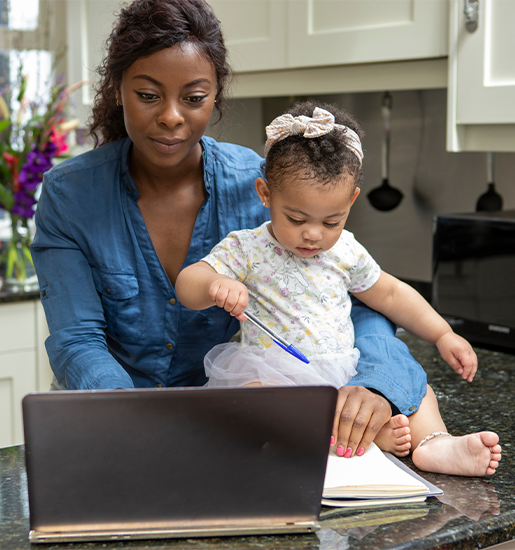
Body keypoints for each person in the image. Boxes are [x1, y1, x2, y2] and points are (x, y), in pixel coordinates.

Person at [32, 0, 421, 460]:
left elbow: (354, 299)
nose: (172, 116)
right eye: (148, 95)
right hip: (113, 423)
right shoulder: (70, 194)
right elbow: (78, 341)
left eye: (194, 98)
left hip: (234, 431)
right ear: (118, 90)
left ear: (215, 95)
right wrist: (131, 415)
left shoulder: (263, 188)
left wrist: (375, 383)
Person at [175, 101, 502, 476]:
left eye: (332, 220)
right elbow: (188, 283)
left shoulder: (345, 250)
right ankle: (360, 436)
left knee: (413, 384)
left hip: (346, 373)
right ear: (265, 194)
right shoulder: (247, 248)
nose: (313, 234)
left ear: (351, 201)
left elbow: (392, 294)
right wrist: (215, 284)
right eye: (296, 218)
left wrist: (443, 334)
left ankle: (435, 443)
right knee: (255, 401)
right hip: (277, 372)